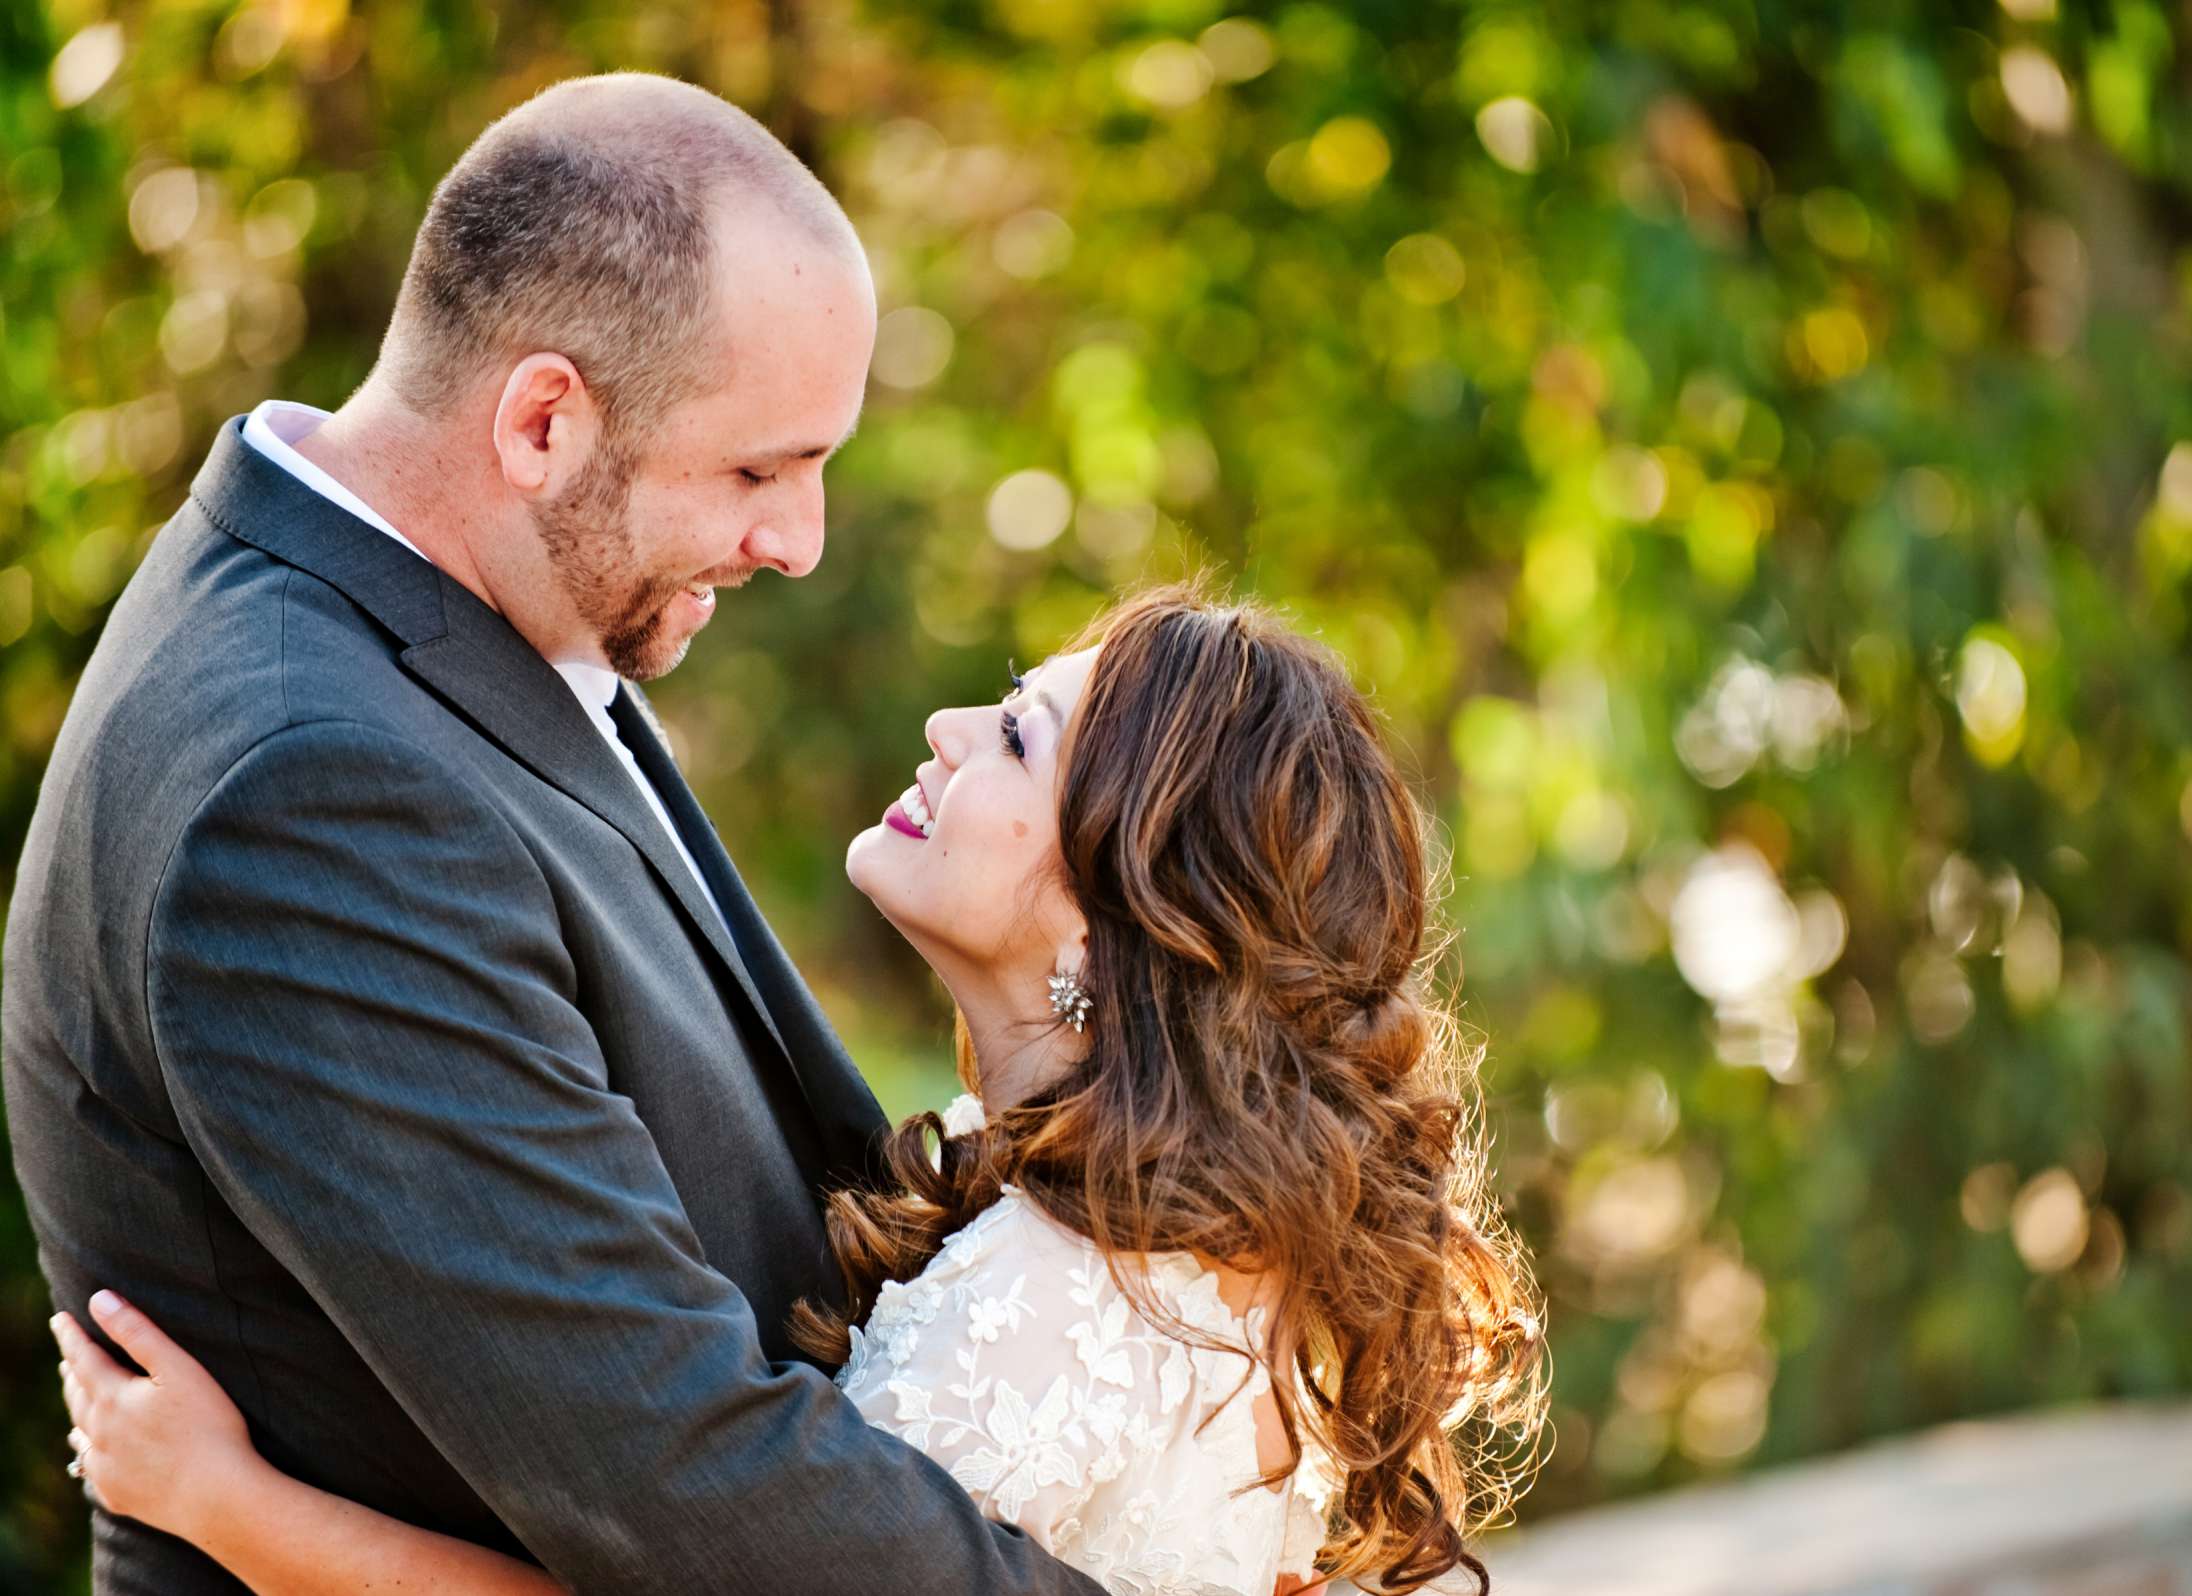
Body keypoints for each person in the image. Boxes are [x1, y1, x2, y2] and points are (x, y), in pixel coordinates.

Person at [3, 71, 1105, 1594]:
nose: (799, 540)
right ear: (541, 421)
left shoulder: (477, 612)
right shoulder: (304, 794)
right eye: (759, 468)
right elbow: (676, 1475)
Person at [53, 588, 1547, 1593]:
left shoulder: (1062, 1292)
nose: (951, 734)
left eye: (1015, 737)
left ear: (1113, 912)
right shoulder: (1177, 1245)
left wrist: (227, 1510)